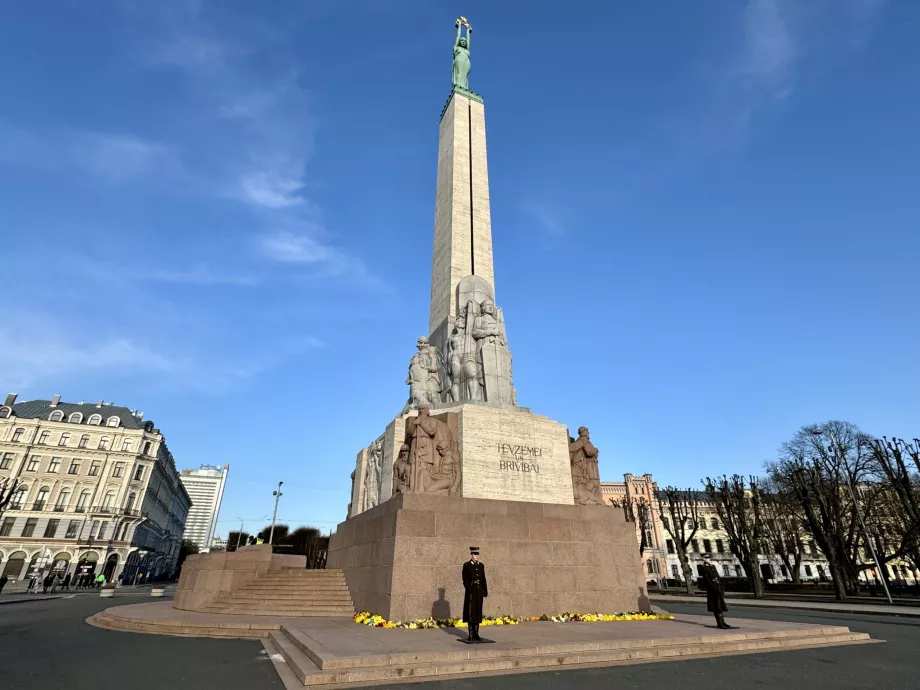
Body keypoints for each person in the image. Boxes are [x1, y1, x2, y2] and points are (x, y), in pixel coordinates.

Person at [700, 554, 735, 629]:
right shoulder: (704, 568)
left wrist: (721, 587)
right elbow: (708, 580)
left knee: (720, 606)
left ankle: (723, 622)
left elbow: (717, 577)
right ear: (703, 559)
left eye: (709, 558)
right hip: (712, 591)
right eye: (707, 558)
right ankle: (719, 623)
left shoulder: (712, 566)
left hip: (718, 589)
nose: (709, 559)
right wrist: (714, 588)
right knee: (716, 606)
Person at [462, 546, 488, 642]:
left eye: (478, 554)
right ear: (471, 555)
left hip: (479, 592)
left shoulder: (481, 566)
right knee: (471, 612)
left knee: (477, 611)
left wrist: (485, 590)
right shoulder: (467, 565)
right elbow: (465, 579)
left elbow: (483, 579)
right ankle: (471, 634)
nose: (477, 556)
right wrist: (469, 589)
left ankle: (476, 633)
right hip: (471, 592)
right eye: (475, 554)